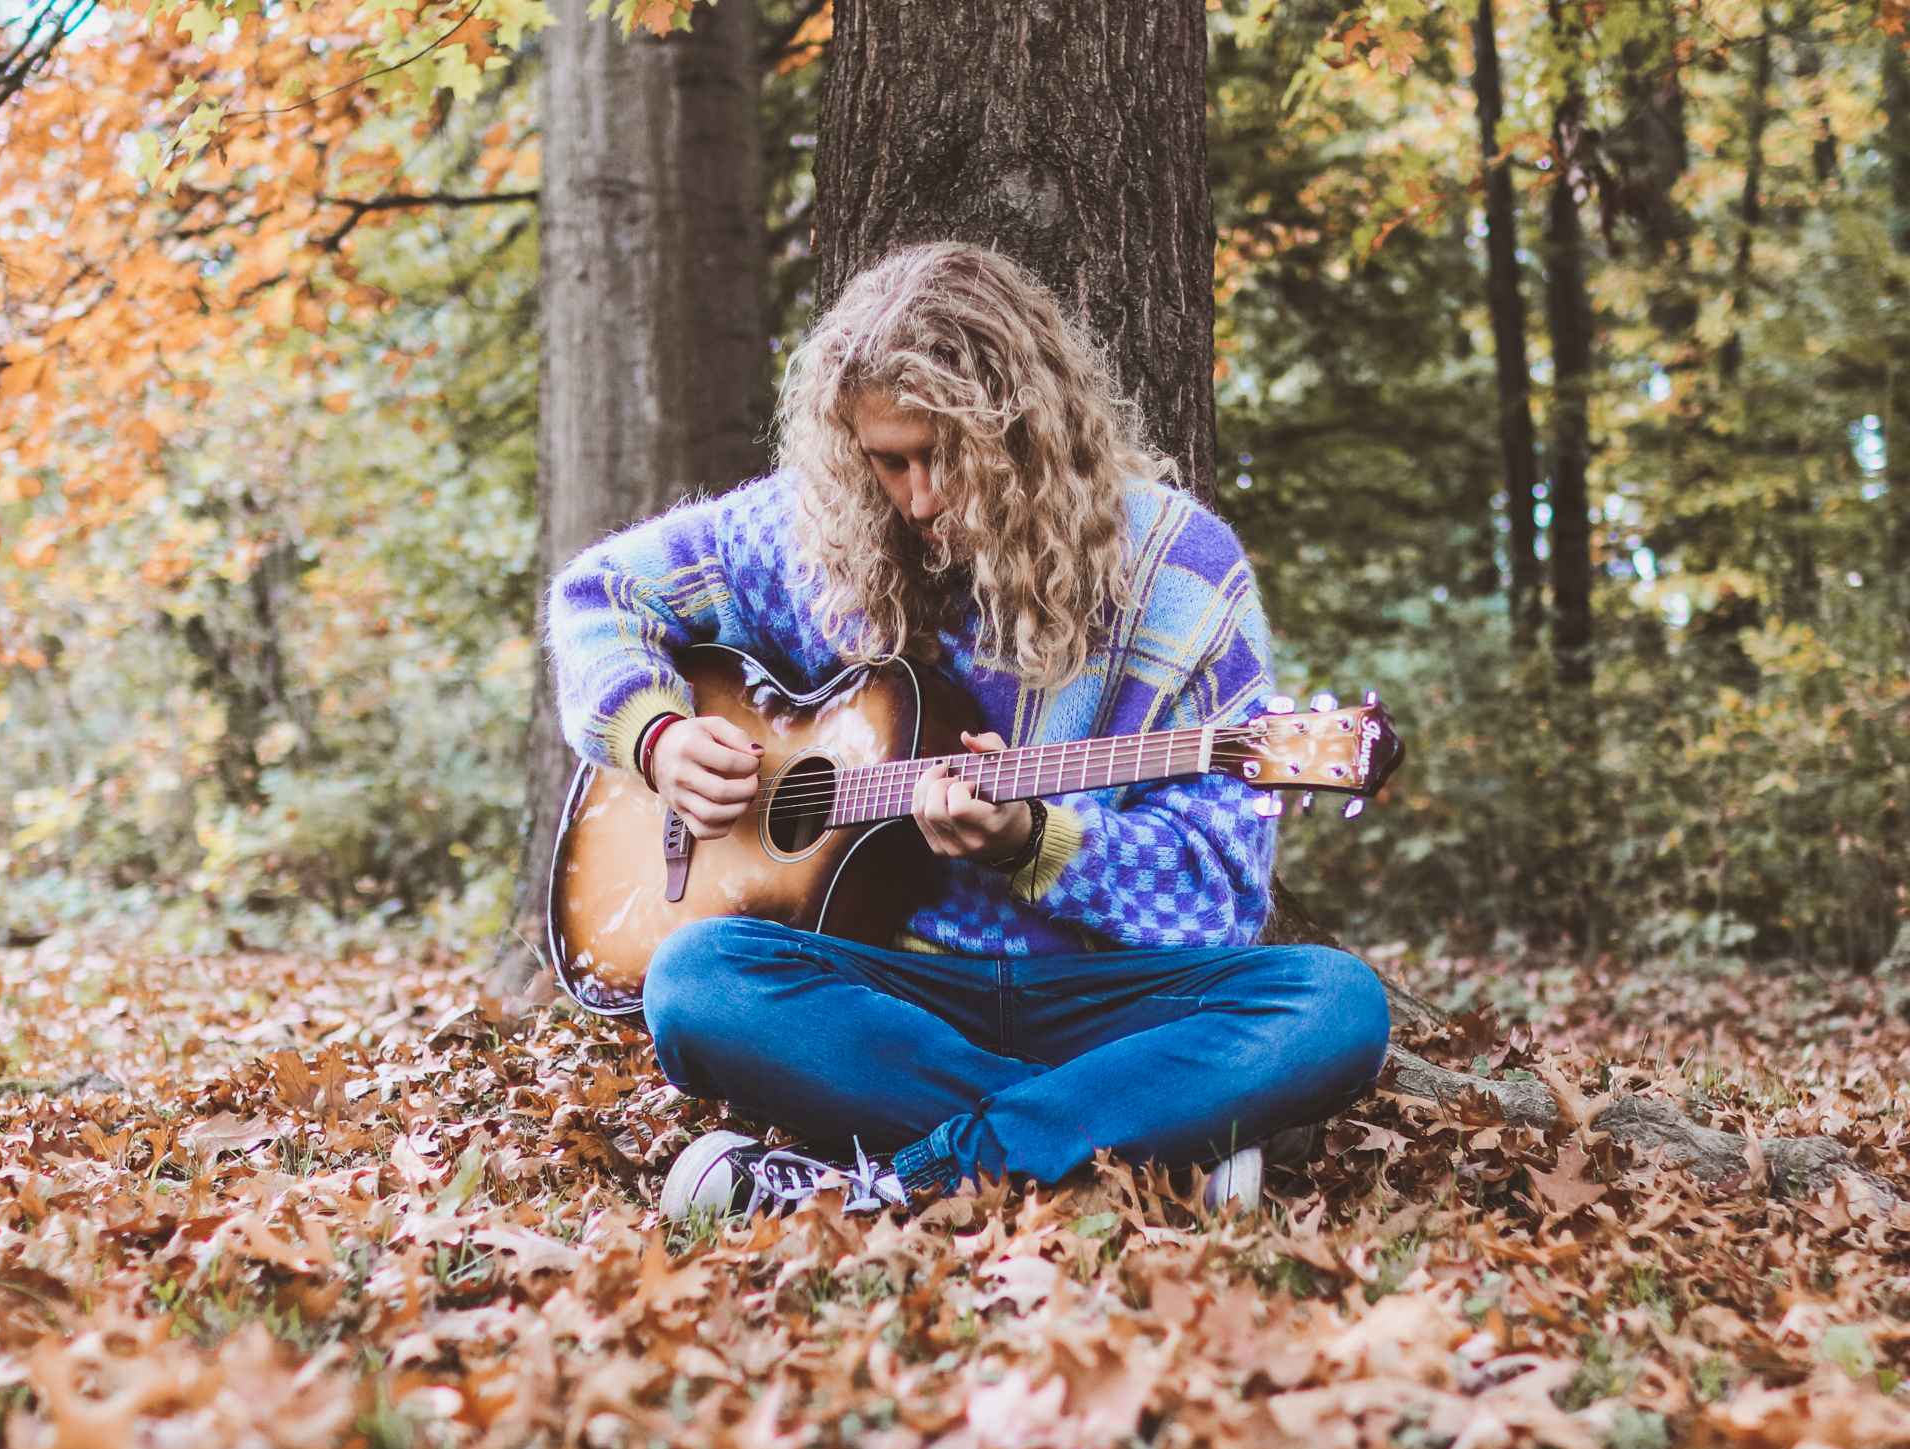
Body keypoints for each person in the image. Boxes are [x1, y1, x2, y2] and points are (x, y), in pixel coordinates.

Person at [547, 243, 1389, 1221]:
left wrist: (1037, 843)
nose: (919, 498)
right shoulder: (812, 537)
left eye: (944, 456)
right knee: (697, 984)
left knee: (1335, 1006)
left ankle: (891, 1183)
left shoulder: (1181, 572)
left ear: (1022, 428)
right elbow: (598, 595)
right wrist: (659, 738)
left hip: (1109, 1006)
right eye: (887, 461)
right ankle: (1132, 1147)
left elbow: (1221, 894)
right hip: (891, 1001)